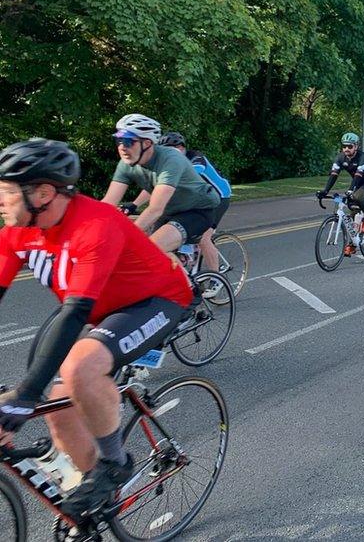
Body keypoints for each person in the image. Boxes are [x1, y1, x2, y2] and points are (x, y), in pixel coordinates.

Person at [0, 139, 192, 521]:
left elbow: (75, 313)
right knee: (56, 408)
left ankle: (114, 464)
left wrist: (25, 394)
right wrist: (27, 395)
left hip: (157, 299)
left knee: (78, 368)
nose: (0, 202)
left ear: (42, 193)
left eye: (6, 193)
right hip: (101, 308)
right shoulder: (16, 232)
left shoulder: (95, 224)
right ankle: (93, 497)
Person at [102, 114, 220, 254]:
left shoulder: (171, 159)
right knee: (159, 259)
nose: (122, 147)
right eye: (118, 141)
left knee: (149, 250)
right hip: (169, 212)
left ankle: (210, 275)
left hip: (196, 210)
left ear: (147, 143)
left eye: (128, 141)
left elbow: (155, 209)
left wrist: (123, 238)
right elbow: (107, 204)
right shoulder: (126, 164)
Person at [157, 132, 231, 279]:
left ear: (181, 148)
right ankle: (186, 256)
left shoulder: (196, 158)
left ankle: (216, 280)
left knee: (204, 237)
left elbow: (191, 172)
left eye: (171, 150)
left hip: (219, 197)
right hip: (198, 200)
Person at [316, 132, 364, 257]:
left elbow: (358, 176)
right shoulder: (340, 158)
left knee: (356, 196)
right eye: (344, 146)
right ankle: (353, 242)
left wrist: (351, 190)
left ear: (356, 146)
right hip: (357, 182)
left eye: (350, 146)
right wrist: (325, 191)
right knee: (352, 213)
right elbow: (334, 175)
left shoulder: (363, 158)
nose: (346, 149)